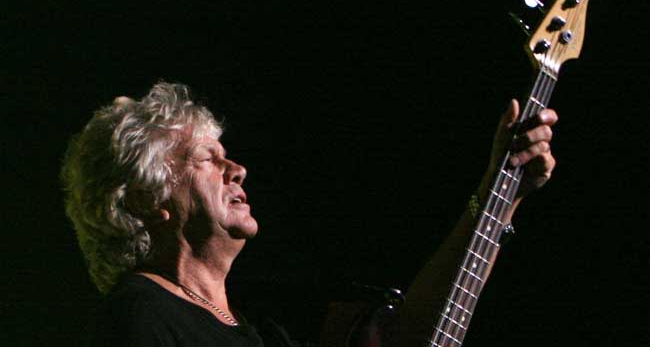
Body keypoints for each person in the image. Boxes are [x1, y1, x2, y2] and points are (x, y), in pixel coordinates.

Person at [61, 81, 557, 346]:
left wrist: (500, 194)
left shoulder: (262, 319)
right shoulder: (139, 317)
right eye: (208, 159)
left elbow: (410, 336)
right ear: (152, 198)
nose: (237, 169)